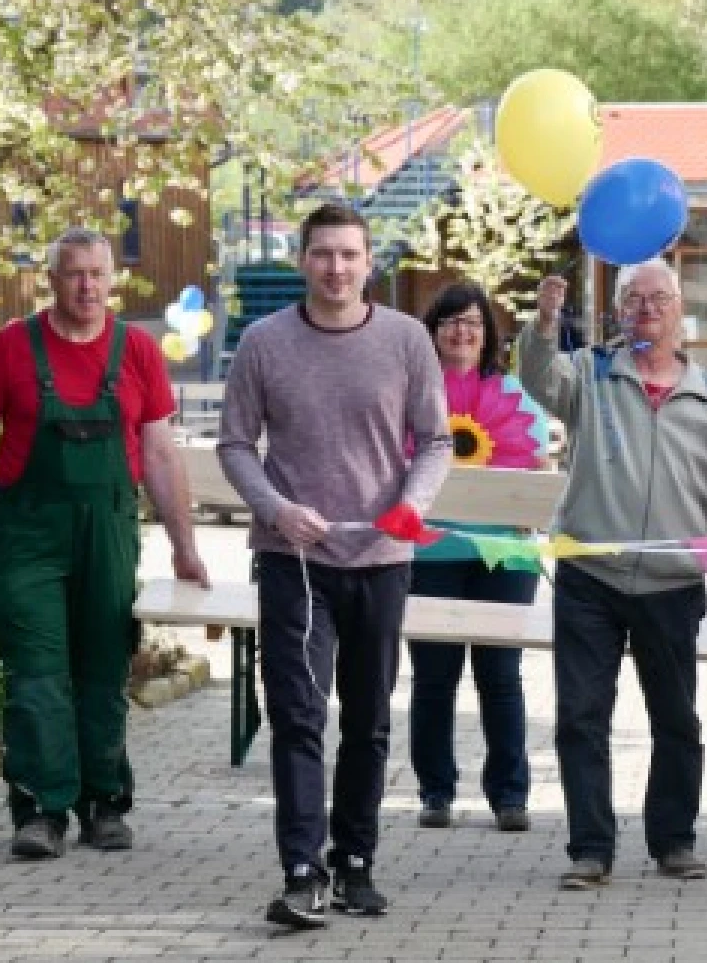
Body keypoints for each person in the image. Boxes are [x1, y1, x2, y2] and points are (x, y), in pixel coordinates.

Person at [218, 203, 451, 928]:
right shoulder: (263, 342)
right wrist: (275, 507)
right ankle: (301, 870)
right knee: (296, 712)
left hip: (381, 558)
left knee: (370, 718)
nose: (336, 268)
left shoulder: (407, 340)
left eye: (349, 255)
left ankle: (356, 861)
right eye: (323, 254)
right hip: (294, 560)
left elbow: (436, 440)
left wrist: (412, 502)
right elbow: (234, 445)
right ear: (302, 260)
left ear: (369, 261)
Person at [0, 227, 209, 861]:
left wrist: (184, 544)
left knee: (102, 670)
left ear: (111, 279)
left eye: (97, 273)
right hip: (27, 534)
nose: (87, 286)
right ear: (52, 280)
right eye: (74, 274)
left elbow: (159, 453)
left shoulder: (137, 350)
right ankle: (39, 810)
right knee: (36, 672)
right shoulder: (12, 347)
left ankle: (103, 804)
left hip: (108, 532)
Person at [517, 260, 707, 890]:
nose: (647, 309)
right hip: (590, 578)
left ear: (681, 310)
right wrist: (544, 325)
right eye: (634, 299)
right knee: (581, 715)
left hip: (672, 584)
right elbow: (540, 380)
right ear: (619, 310)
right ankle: (590, 850)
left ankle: (674, 841)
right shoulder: (594, 376)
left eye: (659, 298)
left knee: (676, 719)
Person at [408, 282, 544, 834]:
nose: (462, 332)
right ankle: (435, 792)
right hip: (432, 552)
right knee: (434, 678)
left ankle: (510, 796)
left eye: (473, 322)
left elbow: (536, 469)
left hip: (503, 558)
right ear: (433, 330)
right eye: (450, 321)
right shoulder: (412, 393)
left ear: (488, 334)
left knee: (501, 676)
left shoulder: (514, 394)